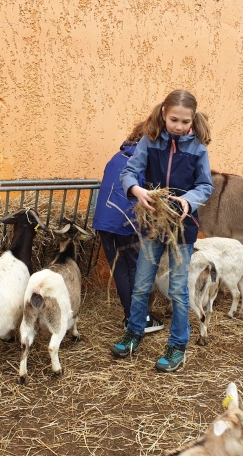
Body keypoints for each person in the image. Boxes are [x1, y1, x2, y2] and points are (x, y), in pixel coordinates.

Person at [109, 89, 213, 372]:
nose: (179, 126)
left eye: (185, 122)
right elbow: (129, 171)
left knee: (179, 290)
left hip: (182, 227)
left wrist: (187, 202)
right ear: (164, 115)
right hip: (153, 224)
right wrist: (136, 189)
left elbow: (205, 185)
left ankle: (178, 345)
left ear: (193, 120)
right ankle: (134, 332)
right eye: (174, 120)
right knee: (142, 284)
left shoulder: (198, 150)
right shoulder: (149, 141)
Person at [92, 121, 164, 333]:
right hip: (126, 221)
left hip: (104, 221)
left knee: (121, 268)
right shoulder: (142, 161)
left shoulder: (116, 157)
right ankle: (140, 320)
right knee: (135, 268)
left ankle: (130, 318)